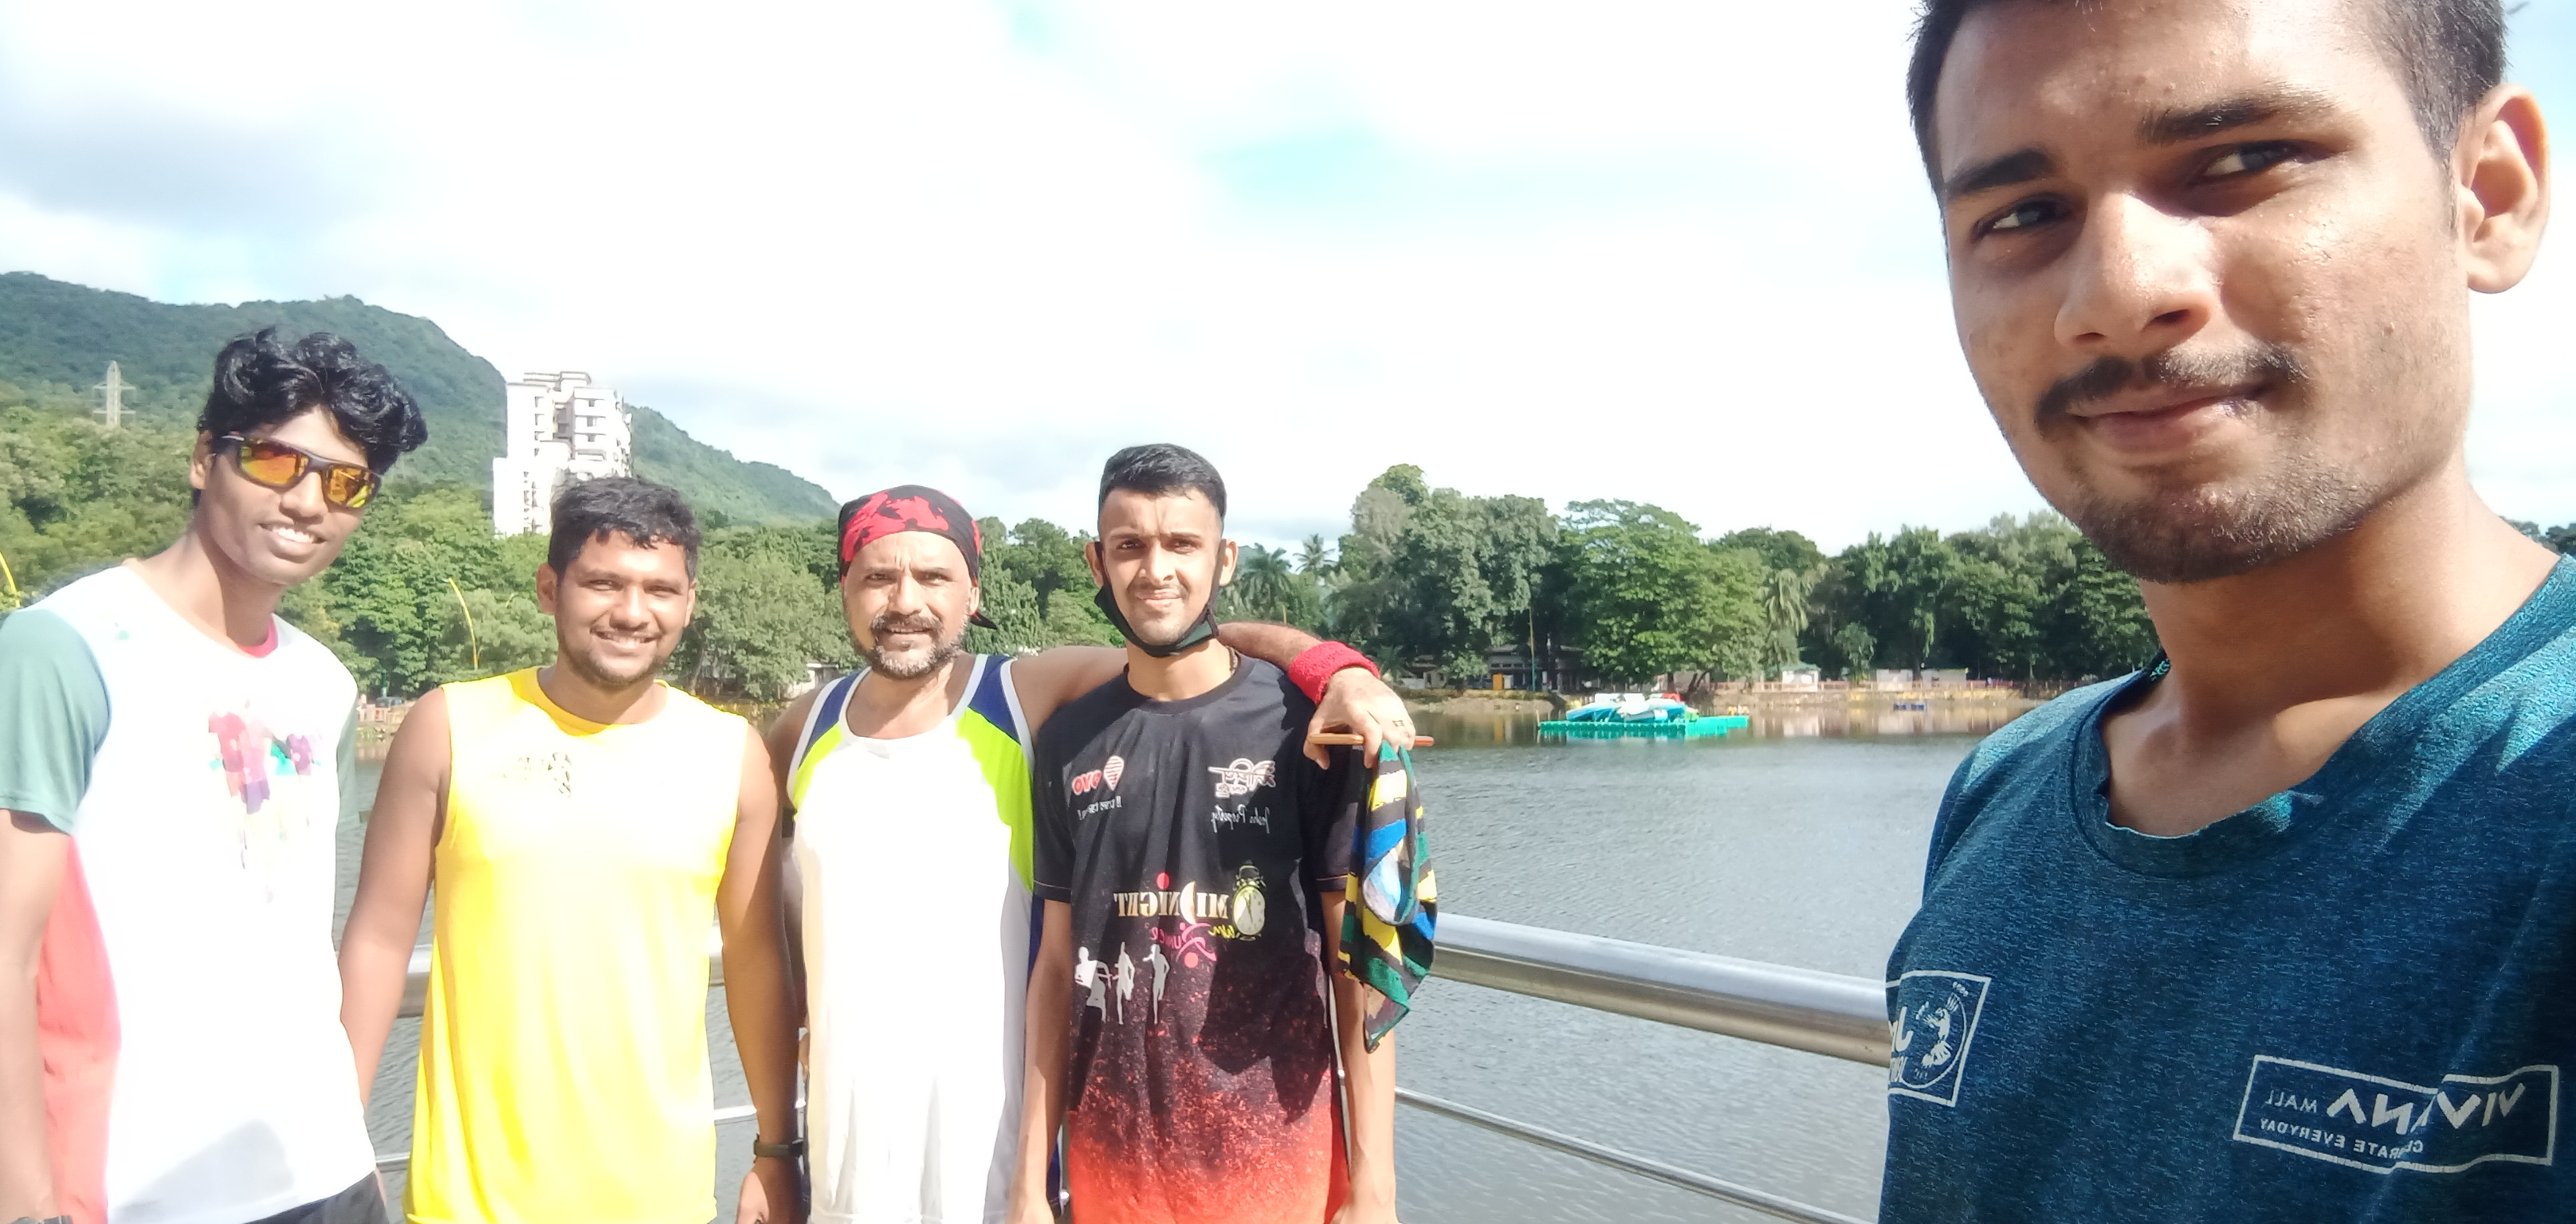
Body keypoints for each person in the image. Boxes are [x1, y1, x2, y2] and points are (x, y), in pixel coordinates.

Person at [1886, 0, 2562, 1217]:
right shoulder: (2007, 786)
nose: (2119, 291)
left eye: (2243, 160)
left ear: (2487, 192)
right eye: (2024, 213)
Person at [768, 484, 1413, 1224]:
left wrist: (1339, 669)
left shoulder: (1022, 695)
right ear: (844, 588)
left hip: (994, 1154)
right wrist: (781, 1116)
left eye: (933, 576)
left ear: (972, 592)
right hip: (846, 1146)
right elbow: (761, 899)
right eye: (878, 576)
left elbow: (1181, 634)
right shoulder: (801, 728)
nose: (905, 600)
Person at [0, 329, 427, 1224]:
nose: (307, 502)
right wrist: (27, 1203)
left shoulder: (323, 681)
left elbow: (291, 937)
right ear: (205, 459)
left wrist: (351, 1144)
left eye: (346, 483)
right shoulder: (64, 648)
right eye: (276, 461)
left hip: (327, 1175)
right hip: (141, 1190)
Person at [338, 478, 802, 1224]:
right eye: (603, 583)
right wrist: (338, 1136)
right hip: (469, 1200)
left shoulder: (732, 754)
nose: (632, 612)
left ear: (689, 602)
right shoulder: (448, 727)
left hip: (662, 1198)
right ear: (550, 589)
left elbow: (756, 962)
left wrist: (776, 1151)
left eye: (660, 589)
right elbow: (378, 941)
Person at [1006, 445, 1400, 1224]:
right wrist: (1027, 1185)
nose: (1156, 569)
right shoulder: (1068, 741)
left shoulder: (1303, 729)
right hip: (1111, 1172)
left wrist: (1375, 1188)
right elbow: (1055, 970)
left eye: (1182, 544)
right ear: (1097, 562)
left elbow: (1356, 970)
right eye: (1129, 545)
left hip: (1273, 1172)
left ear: (1224, 560)